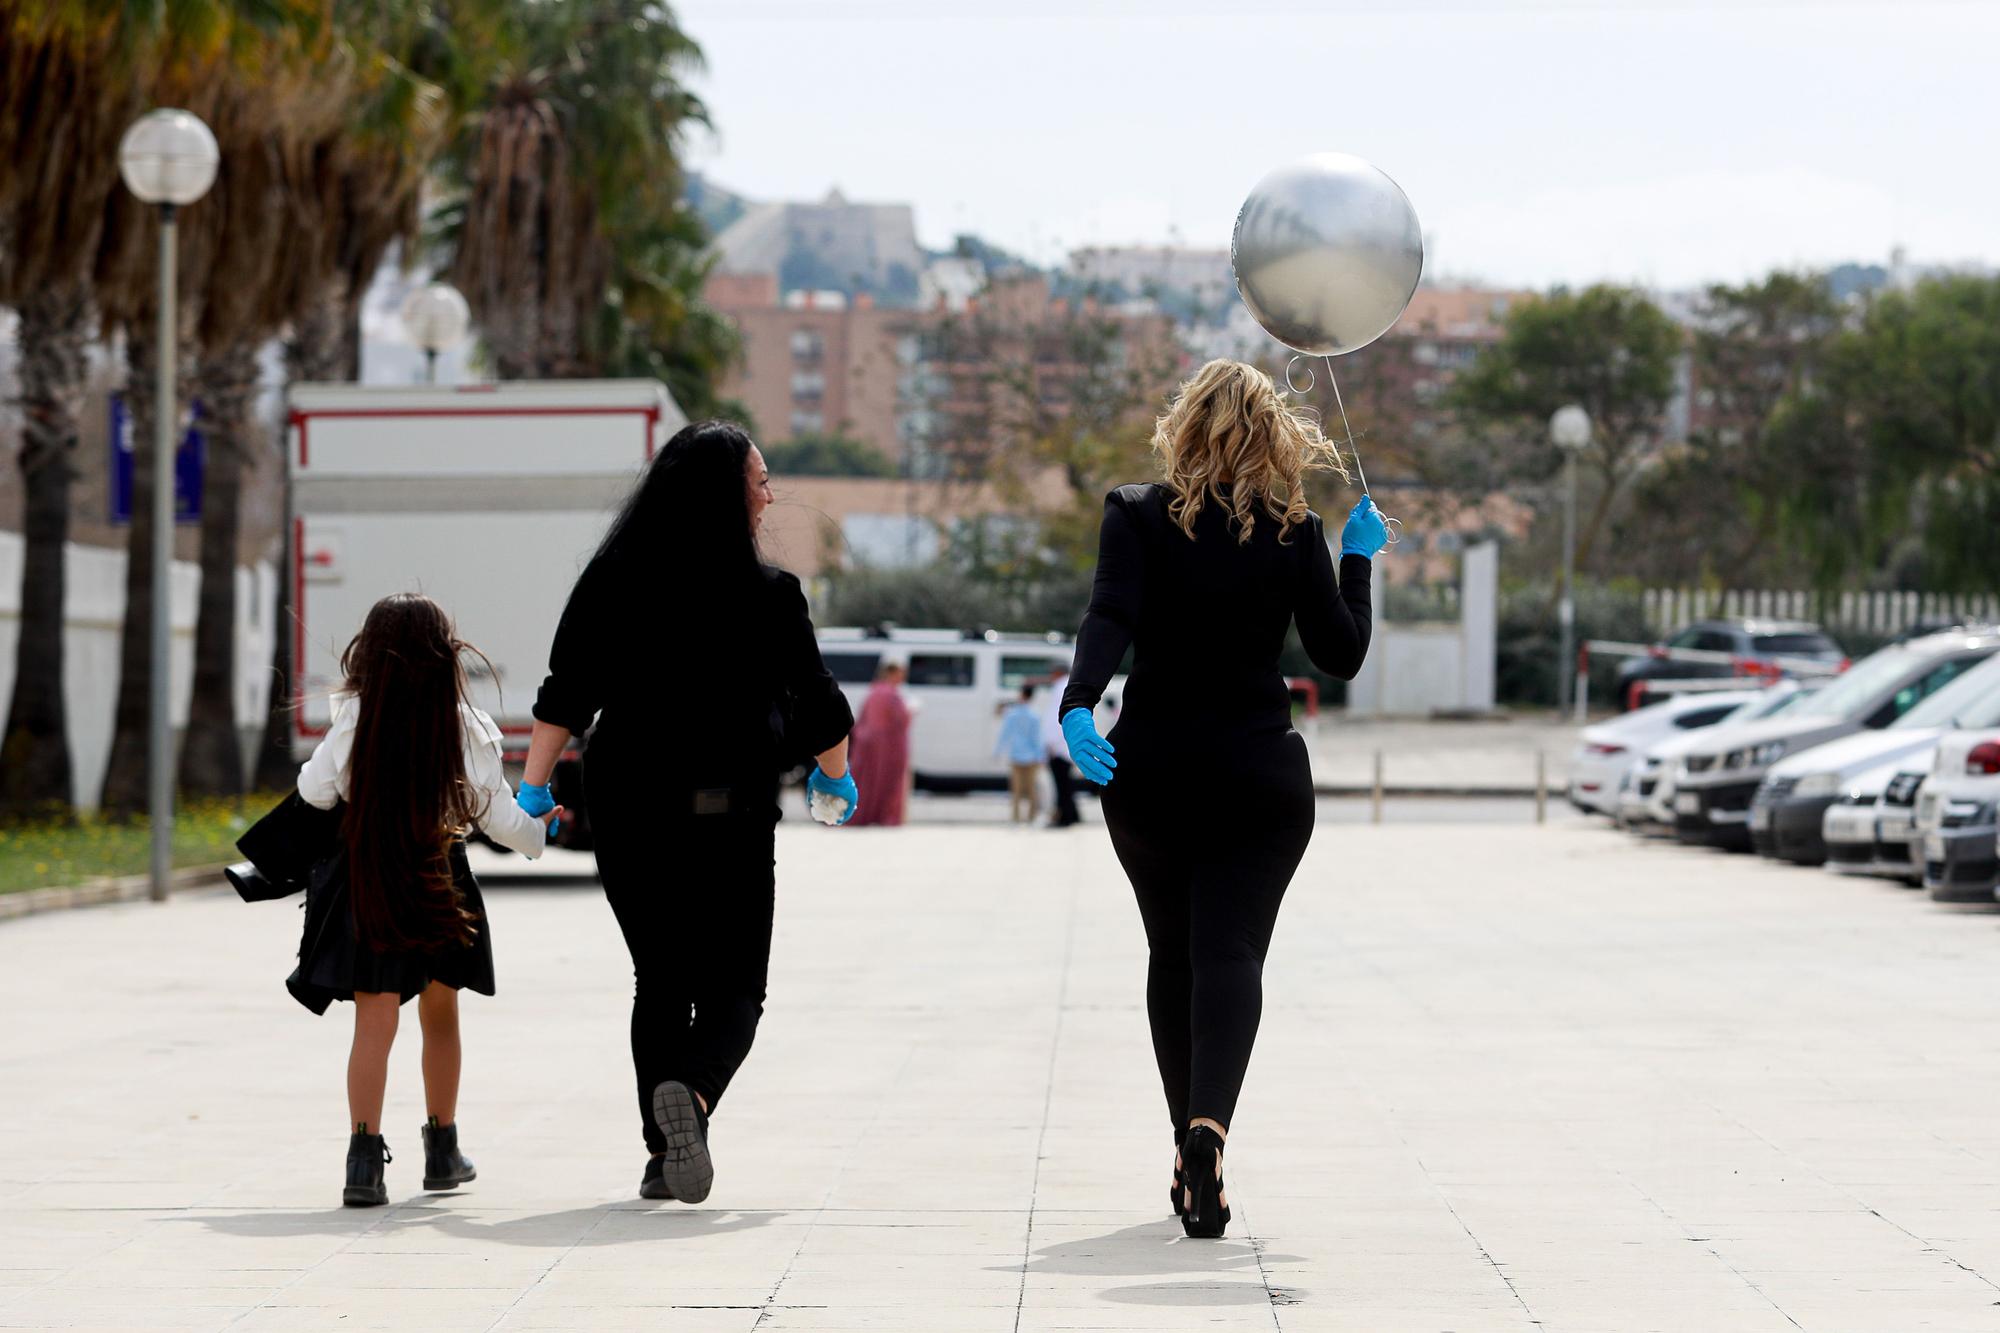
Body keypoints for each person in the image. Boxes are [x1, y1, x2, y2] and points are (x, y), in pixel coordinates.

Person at [1057, 359, 1385, 1238]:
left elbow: (1109, 617)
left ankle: (1183, 1144)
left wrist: (1079, 702)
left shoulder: (1134, 513)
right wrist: (1356, 561)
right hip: (1258, 774)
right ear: (1275, 434)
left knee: (1174, 955)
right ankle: (1211, 1129)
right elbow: (1341, 654)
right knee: (1231, 950)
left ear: (1184, 426)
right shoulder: (1296, 531)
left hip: (1152, 771)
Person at [516, 421, 856, 1206]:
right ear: (726, 492)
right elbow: (819, 704)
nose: (769, 493)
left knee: (660, 978)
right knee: (737, 987)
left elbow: (565, 691)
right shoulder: (768, 594)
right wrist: (835, 778)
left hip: (628, 812)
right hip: (728, 815)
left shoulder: (611, 577)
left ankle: (659, 1153)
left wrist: (534, 788)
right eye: (761, 479)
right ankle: (693, 1103)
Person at [288, 593, 562, 1208]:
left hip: (371, 877)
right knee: (440, 1017)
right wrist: (541, 836)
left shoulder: (355, 717)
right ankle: (442, 1150)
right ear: (445, 652)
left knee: (374, 1019)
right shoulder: (464, 724)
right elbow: (498, 818)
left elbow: (315, 790)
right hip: (440, 878)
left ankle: (364, 1160)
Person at [847, 662, 912, 826]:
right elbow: (901, 719)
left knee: (867, 781)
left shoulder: (874, 691)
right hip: (889, 745)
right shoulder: (891, 694)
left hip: (868, 745)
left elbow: (861, 720)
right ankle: (885, 816)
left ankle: (865, 814)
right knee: (889, 781)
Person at [995, 685, 1044, 824]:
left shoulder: (1012, 714)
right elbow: (1038, 738)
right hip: (1032, 757)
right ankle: (1031, 817)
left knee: (1016, 789)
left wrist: (998, 751)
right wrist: (1041, 756)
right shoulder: (1035, 715)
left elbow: (1004, 735)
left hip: (1016, 755)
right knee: (1031, 789)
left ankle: (1015, 817)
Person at [1042, 666, 1082, 827]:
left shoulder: (1060, 688)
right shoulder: (1067, 686)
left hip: (1059, 747)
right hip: (1065, 745)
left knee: (1062, 785)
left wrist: (1051, 744)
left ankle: (1065, 816)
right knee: (1066, 783)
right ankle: (1072, 814)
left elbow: (1055, 720)